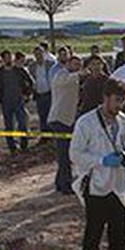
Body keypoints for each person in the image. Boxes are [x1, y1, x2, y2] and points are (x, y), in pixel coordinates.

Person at [70, 78, 125, 250]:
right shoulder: (86, 122)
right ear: (105, 98)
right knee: (93, 237)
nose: (120, 106)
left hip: (118, 188)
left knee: (120, 238)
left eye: (123, 102)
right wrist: (101, 161)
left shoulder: (123, 121)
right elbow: (74, 154)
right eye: (117, 100)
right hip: (96, 187)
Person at [48, 55, 87, 194]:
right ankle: (65, 185)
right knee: (64, 155)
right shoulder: (62, 74)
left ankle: (60, 183)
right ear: (69, 64)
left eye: (79, 65)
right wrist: (79, 74)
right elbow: (64, 82)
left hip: (68, 120)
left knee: (64, 154)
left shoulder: (74, 78)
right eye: (75, 64)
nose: (77, 67)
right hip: (59, 119)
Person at [0, 50, 34, 153]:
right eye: (6, 57)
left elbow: (30, 82)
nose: (9, 59)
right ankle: (12, 147)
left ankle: (24, 145)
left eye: (10, 57)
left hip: (19, 102)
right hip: (6, 103)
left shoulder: (19, 70)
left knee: (23, 124)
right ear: (3, 59)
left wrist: (27, 95)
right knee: (9, 126)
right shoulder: (0, 73)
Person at [28, 45, 56, 132]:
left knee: (51, 115)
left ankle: (51, 134)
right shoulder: (32, 66)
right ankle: (44, 135)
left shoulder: (51, 65)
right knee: (41, 115)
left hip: (49, 93)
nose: (38, 56)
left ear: (44, 54)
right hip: (39, 94)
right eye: (36, 54)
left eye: (40, 54)